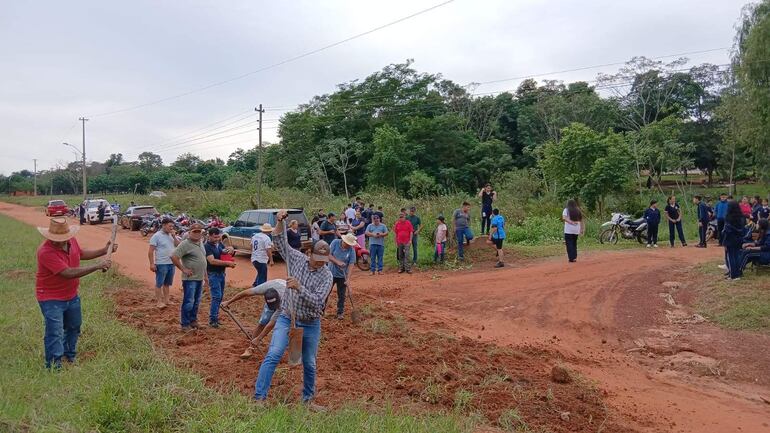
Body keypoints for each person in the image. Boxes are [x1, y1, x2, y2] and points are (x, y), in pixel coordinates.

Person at [253, 210, 333, 407]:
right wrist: (279, 221)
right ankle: (259, 398)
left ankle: (308, 400)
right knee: (274, 353)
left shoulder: (327, 276)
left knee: (309, 363)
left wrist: (299, 287)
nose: (320, 263)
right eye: (317, 258)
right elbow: (279, 240)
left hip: (311, 323)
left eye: (324, 260)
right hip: (287, 317)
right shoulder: (297, 259)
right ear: (309, 253)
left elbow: (317, 302)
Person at [35, 218, 114, 369]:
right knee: (55, 331)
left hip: (71, 295)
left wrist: (103, 250)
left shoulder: (72, 242)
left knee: (74, 326)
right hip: (50, 298)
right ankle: (54, 365)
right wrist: (97, 266)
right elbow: (67, 272)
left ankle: (69, 356)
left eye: (62, 239)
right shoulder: (45, 252)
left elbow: (81, 254)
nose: (59, 242)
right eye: (55, 239)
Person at [221, 279, 286, 359]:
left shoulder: (284, 301)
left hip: (289, 304)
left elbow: (271, 324)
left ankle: (289, 349)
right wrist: (229, 302)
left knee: (285, 326)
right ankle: (251, 348)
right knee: (262, 323)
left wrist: (259, 338)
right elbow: (246, 293)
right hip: (275, 291)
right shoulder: (265, 288)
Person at [171, 223, 207, 331]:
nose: (197, 234)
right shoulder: (185, 244)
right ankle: (185, 324)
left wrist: (205, 276)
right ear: (189, 233)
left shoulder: (200, 242)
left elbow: (202, 260)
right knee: (189, 301)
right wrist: (183, 269)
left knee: (196, 301)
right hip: (190, 279)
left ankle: (193, 321)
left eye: (199, 232)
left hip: (199, 278)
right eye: (194, 232)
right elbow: (173, 256)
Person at [204, 227, 236, 328]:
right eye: (215, 237)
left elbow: (223, 251)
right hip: (213, 274)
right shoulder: (207, 246)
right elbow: (212, 261)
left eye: (218, 237)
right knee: (216, 297)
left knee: (220, 296)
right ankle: (213, 319)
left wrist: (230, 250)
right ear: (209, 236)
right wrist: (227, 263)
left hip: (221, 273)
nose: (217, 239)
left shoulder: (218, 244)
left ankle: (215, 318)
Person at [148, 217, 179, 308]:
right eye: (170, 226)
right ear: (164, 225)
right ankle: (159, 302)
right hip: (161, 263)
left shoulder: (171, 235)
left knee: (167, 283)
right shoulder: (156, 236)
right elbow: (151, 251)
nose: (171, 228)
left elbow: (178, 245)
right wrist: (152, 263)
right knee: (159, 283)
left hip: (171, 263)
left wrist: (174, 236)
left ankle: (167, 300)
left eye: (172, 227)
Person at [328, 233, 357, 320]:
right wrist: (337, 262)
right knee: (326, 293)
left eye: (350, 244)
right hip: (331, 273)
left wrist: (348, 279)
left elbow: (351, 264)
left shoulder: (351, 250)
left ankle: (340, 312)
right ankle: (321, 311)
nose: (349, 246)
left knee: (342, 295)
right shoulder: (335, 243)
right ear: (344, 241)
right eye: (348, 244)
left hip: (342, 276)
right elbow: (328, 255)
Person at [722, 200, 746, 280]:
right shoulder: (742, 217)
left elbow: (727, 231)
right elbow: (743, 229)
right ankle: (738, 273)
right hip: (739, 239)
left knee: (731, 257)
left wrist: (724, 242)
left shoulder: (728, 217)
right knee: (737, 256)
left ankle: (733, 275)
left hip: (730, 240)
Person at [251, 223, 274, 287]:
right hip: (261, 259)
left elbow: (251, 245)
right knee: (263, 275)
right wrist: (271, 260)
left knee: (260, 272)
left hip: (254, 258)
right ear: (269, 231)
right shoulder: (266, 238)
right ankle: (260, 288)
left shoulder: (255, 236)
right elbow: (268, 250)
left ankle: (255, 284)